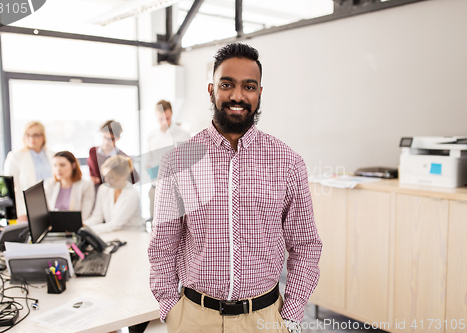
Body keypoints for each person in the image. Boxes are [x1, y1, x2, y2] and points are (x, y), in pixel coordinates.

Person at [148, 43, 322, 333]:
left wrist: (290, 315)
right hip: (194, 318)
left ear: (259, 93)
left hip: (264, 319)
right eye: (227, 84)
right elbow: (163, 245)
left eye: (249, 86)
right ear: (211, 89)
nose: (238, 95)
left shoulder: (288, 162)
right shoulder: (177, 161)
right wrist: (171, 310)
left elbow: (305, 245)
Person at [145, 100, 190, 220]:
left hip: (176, 190)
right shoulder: (151, 136)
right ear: (156, 116)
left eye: (168, 118)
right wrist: (150, 169)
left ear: (172, 114)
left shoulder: (183, 135)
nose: (165, 122)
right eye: (161, 119)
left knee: (177, 224)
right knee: (155, 224)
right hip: (156, 187)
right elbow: (147, 160)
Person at [4, 121, 54, 221]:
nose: (31, 138)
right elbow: (10, 189)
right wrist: (20, 212)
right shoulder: (15, 157)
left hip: (52, 206)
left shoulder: (53, 155)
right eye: (28, 135)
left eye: (36, 135)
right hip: (27, 209)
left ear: (43, 136)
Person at [83, 155, 144, 234]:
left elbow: (115, 224)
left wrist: (86, 230)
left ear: (123, 176)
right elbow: (97, 217)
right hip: (113, 234)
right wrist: (83, 225)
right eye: (105, 176)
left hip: (133, 234)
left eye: (111, 177)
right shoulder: (103, 189)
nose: (106, 181)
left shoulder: (132, 194)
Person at [87, 120, 139, 191]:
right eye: (104, 137)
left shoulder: (124, 158)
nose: (106, 142)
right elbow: (92, 171)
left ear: (118, 138)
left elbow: (135, 178)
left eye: (110, 139)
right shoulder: (93, 152)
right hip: (97, 194)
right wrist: (93, 178)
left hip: (114, 194)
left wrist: (118, 182)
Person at [44, 151, 95, 221]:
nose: (58, 169)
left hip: (75, 227)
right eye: (55, 165)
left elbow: (84, 215)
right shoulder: (49, 184)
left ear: (73, 165)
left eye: (62, 165)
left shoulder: (86, 185)